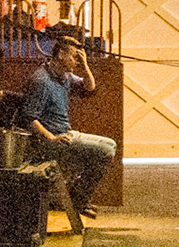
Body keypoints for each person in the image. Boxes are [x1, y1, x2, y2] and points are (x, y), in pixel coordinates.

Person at [22, 34, 116, 218]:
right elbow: (29, 117)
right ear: (61, 55)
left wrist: (85, 65)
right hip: (52, 141)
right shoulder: (42, 80)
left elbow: (89, 86)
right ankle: (78, 201)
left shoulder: (64, 76)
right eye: (74, 57)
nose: (76, 61)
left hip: (66, 133)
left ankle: (78, 198)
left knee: (111, 144)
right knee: (105, 151)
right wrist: (51, 137)